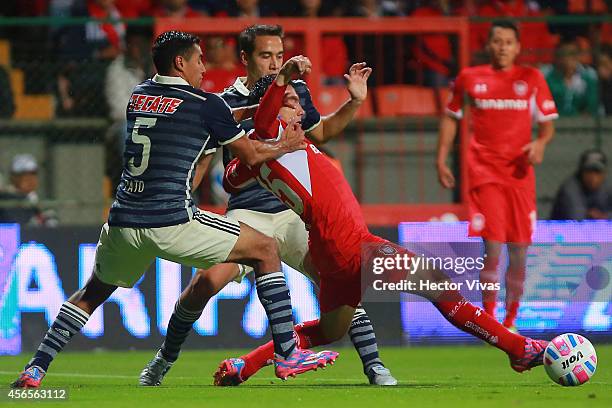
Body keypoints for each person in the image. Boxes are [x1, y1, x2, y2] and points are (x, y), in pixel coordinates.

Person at [11, 31, 336, 389]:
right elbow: (252, 154)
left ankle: (36, 368)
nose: (204, 67)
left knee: (92, 292)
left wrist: (258, 102)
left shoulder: (139, 96)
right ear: (180, 62)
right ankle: (289, 353)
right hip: (171, 220)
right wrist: (285, 143)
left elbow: (206, 116)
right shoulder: (205, 104)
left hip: (123, 221)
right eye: (198, 59)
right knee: (265, 248)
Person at [213, 58, 550, 386]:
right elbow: (263, 122)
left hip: (330, 252)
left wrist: (352, 100)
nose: (301, 111)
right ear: (268, 110)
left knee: (330, 331)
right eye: (292, 103)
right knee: (438, 284)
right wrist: (282, 78)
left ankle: (247, 364)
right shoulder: (272, 134)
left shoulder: (265, 151)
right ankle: (518, 348)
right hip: (353, 246)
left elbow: (231, 179)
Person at [139, 24, 397, 387]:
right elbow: (204, 161)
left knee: (336, 280)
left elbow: (320, 132)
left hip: (293, 214)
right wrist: (176, 201)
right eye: (266, 56)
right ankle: (164, 359)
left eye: (279, 55)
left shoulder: (296, 91)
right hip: (248, 213)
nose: (275, 64)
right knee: (205, 283)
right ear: (245, 59)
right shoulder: (223, 102)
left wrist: (354, 102)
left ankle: (374, 366)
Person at [437, 20, 558, 331]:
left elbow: (547, 125)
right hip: (484, 174)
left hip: (520, 177)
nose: (502, 47)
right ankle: (490, 319)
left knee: (519, 250)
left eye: (508, 42)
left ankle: (511, 319)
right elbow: (451, 116)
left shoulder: (531, 78)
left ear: (517, 47)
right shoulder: (470, 78)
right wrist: (441, 159)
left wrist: (541, 144)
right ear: (488, 45)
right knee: (492, 247)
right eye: (497, 41)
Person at [540, 40, 600, 117]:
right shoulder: (548, 76)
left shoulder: (588, 76)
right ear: (559, 57)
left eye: (574, 54)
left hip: (582, 124)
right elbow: (543, 103)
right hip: (554, 121)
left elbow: (592, 105)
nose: (571, 58)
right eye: (566, 54)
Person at [551, 149, 611, 220]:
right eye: (589, 171)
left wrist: (605, 216)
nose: (593, 177)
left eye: (597, 172)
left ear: (604, 174)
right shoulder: (570, 189)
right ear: (581, 172)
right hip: (563, 229)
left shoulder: (607, 186)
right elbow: (576, 220)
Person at [0, 154, 57, 227]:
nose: (30, 179)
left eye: (33, 174)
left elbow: (53, 226)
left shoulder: (38, 200)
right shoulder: (5, 198)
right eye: (24, 175)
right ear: (13, 177)